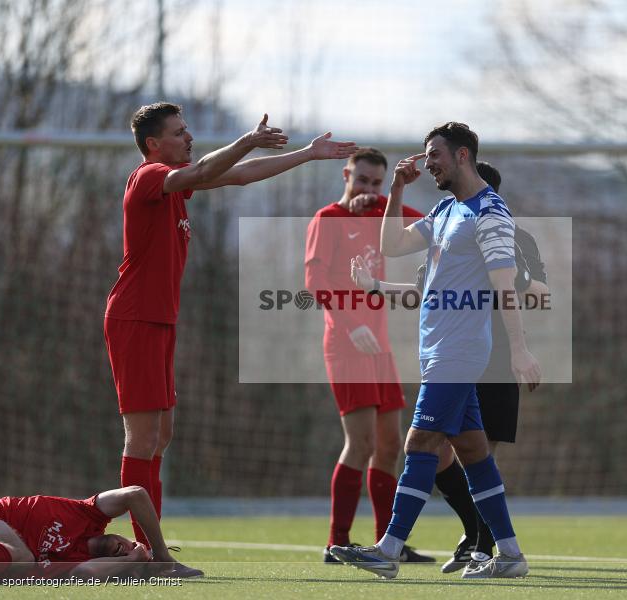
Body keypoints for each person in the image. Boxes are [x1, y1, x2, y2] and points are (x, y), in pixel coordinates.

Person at [103, 102, 356, 563]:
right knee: (140, 438)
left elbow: (239, 175)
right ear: (153, 145)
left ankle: (146, 544)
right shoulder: (149, 177)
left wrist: (307, 153)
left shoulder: (177, 188)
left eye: (187, 130)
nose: (188, 137)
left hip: (158, 321)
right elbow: (206, 166)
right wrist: (245, 140)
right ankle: (148, 553)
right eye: (179, 133)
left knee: (161, 434)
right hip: (134, 318)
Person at [331, 122, 541, 580]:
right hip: (438, 350)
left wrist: (520, 350)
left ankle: (388, 550)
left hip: (460, 351)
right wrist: (397, 187)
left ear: (462, 155)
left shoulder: (490, 213)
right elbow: (393, 244)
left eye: (435, 156)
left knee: (419, 442)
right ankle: (509, 555)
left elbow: (506, 288)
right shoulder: (447, 208)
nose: (428, 164)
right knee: (473, 454)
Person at [303, 147, 433, 564]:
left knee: (390, 445)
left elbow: (427, 227)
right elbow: (315, 281)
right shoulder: (328, 219)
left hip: (379, 346)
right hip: (346, 343)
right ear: (346, 175)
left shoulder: (381, 213)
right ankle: (335, 542)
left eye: (376, 182)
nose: (368, 189)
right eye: (362, 180)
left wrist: (389, 196)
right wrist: (349, 323)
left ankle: (385, 543)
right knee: (358, 444)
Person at [0, 485, 184, 583]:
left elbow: (86, 573)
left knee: (6, 558)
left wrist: (133, 559)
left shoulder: (76, 562)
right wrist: (161, 555)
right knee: (21, 556)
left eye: (127, 560)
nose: (128, 549)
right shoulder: (89, 516)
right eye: (133, 545)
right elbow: (135, 494)